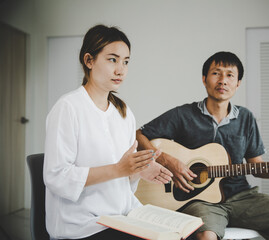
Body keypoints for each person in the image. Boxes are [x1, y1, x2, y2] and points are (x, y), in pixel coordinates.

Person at [136, 51, 269, 240]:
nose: (223, 80)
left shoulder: (246, 118)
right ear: (204, 79)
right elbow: (139, 135)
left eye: (230, 75)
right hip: (200, 201)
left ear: (238, 83)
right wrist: (167, 160)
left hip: (243, 196)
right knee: (207, 236)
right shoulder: (183, 114)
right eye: (216, 73)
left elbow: (257, 167)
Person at [43, 24, 172, 240]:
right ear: (89, 60)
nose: (120, 69)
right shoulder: (68, 108)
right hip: (82, 225)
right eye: (112, 59)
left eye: (126, 62)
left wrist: (136, 172)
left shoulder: (124, 113)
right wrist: (119, 170)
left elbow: (121, 183)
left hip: (120, 216)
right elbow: (56, 177)